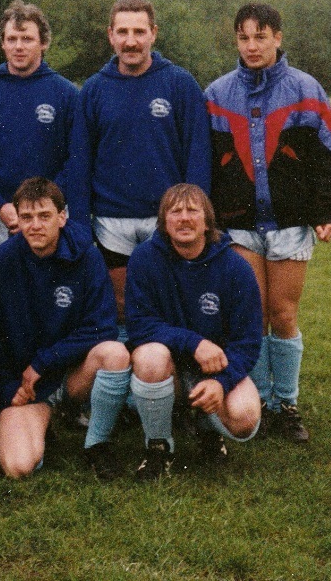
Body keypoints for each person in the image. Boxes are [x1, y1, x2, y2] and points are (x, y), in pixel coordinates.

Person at [205, 4, 331, 443]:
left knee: (283, 314)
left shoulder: (306, 89)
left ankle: (287, 403)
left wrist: (325, 213)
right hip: (240, 226)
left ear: (278, 38)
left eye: (260, 37)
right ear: (236, 41)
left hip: (289, 224)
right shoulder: (216, 93)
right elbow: (206, 162)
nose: (252, 46)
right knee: (254, 313)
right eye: (244, 38)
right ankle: (260, 400)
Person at [74, 0, 211, 332]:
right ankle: (124, 379)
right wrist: (80, 222)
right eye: (123, 32)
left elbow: (198, 155)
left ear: (154, 33)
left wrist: (191, 214)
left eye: (139, 31)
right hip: (110, 223)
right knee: (120, 310)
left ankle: (167, 380)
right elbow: (80, 162)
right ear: (110, 35)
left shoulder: (180, 83)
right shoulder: (93, 90)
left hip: (166, 219)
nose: (131, 41)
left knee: (171, 306)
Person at [0, 178, 130, 480]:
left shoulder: (86, 256)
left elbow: (103, 327)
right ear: (17, 220)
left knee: (114, 354)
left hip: (72, 375)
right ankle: (42, 420)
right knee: (18, 467)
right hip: (28, 386)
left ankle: (97, 443)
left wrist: (44, 361)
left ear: (62, 217)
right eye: (27, 217)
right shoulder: (1, 263)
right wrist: (9, 388)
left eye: (44, 216)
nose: (35, 225)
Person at [125, 184, 263, 479]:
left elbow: (248, 342)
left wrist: (222, 383)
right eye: (175, 211)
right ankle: (159, 445)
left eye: (192, 211)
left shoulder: (235, 267)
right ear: (163, 221)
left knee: (245, 417)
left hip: (214, 370)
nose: (184, 218)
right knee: (149, 356)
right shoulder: (144, 258)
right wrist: (194, 342)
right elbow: (139, 326)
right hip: (168, 367)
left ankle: (207, 429)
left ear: (207, 220)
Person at [0, 0, 80, 258]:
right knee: (2, 293)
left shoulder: (67, 94)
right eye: (12, 39)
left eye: (27, 39)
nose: (19, 46)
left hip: (49, 214)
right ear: (2, 43)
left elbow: (77, 158)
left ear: (43, 42)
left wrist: (48, 205)